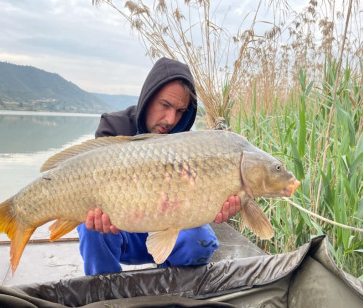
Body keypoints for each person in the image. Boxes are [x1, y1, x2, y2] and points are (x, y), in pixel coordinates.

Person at [77, 57, 241, 275]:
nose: (171, 119)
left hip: (169, 230)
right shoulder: (114, 127)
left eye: (180, 111)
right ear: (148, 98)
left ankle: (170, 291)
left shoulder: (188, 145)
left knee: (200, 241)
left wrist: (217, 203)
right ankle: (105, 297)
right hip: (123, 232)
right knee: (91, 228)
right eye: (165, 105)